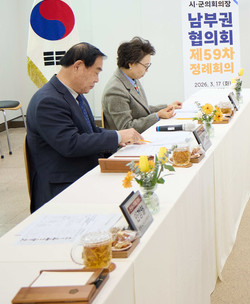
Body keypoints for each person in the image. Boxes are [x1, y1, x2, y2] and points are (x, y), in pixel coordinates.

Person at [27, 42, 143, 212]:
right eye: (96, 72)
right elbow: (71, 143)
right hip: (63, 186)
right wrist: (117, 137)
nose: (97, 79)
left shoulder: (75, 95)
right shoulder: (48, 101)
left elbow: (90, 132)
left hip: (82, 170)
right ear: (78, 66)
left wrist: (119, 137)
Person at [102, 37, 182, 132]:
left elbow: (141, 110)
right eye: (145, 66)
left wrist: (167, 107)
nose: (147, 70)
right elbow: (126, 127)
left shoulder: (132, 78)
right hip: (130, 140)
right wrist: (157, 116)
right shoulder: (115, 90)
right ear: (131, 64)